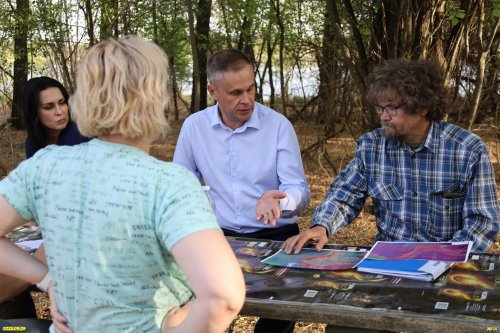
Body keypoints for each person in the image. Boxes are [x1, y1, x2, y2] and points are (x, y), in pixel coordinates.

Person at [0, 35, 245, 333]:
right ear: (156, 99)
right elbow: (224, 296)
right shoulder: (167, 183)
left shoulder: (43, 166)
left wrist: (45, 278)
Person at [283, 59, 500, 256]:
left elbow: (482, 222)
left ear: (422, 107)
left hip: (447, 262)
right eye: (380, 108)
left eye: (392, 108)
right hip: (388, 260)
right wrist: (322, 226)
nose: (383, 116)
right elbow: (344, 195)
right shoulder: (372, 147)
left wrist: (444, 256)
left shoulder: (467, 151)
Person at [173, 48, 310, 333]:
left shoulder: (278, 126)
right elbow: (180, 189)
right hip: (218, 240)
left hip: (277, 238)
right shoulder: (194, 128)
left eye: (250, 89)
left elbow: (299, 192)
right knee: (208, 317)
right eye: (235, 93)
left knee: (278, 319)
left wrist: (280, 201)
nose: (246, 99)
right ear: (213, 91)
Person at [23, 76, 90, 158]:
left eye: (62, 102)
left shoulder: (83, 136)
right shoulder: (32, 142)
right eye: (48, 107)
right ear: (34, 113)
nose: (59, 112)